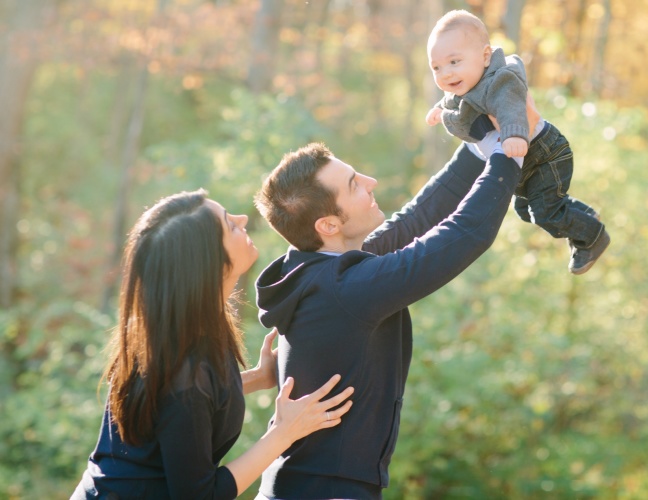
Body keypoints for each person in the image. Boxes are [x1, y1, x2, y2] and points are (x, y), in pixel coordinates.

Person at [252, 129, 521, 499]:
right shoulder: (345, 288)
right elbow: (465, 234)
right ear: (329, 225)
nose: (370, 182)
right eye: (354, 185)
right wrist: (509, 153)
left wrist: (481, 144)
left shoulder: (321, 272)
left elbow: (414, 221)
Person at [71, 189, 354, 499]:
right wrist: (283, 433)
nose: (243, 218)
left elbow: (175, 413)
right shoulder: (183, 368)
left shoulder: (181, 331)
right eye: (229, 224)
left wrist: (257, 379)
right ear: (208, 263)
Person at [425, 9, 610, 275]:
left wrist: (514, 134)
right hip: (530, 162)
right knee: (525, 210)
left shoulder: (501, 80)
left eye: (454, 62)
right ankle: (584, 215)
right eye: (436, 67)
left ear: (485, 56)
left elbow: (511, 107)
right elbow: (453, 103)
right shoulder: (464, 85)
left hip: (546, 153)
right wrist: (439, 109)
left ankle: (592, 235)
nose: (445, 74)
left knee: (546, 213)